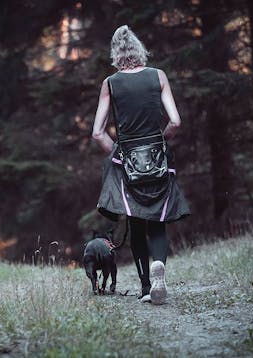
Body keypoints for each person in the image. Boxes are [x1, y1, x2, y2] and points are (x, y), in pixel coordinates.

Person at [91, 25, 191, 305]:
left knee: (136, 223)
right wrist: (161, 141)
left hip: (129, 161)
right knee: (157, 222)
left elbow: (98, 132)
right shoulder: (158, 76)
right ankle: (160, 264)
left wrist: (118, 153)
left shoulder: (110, 83)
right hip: (158, 158)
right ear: (139, 50)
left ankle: (147, 286)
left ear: (116, 54)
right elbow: (175, 121)